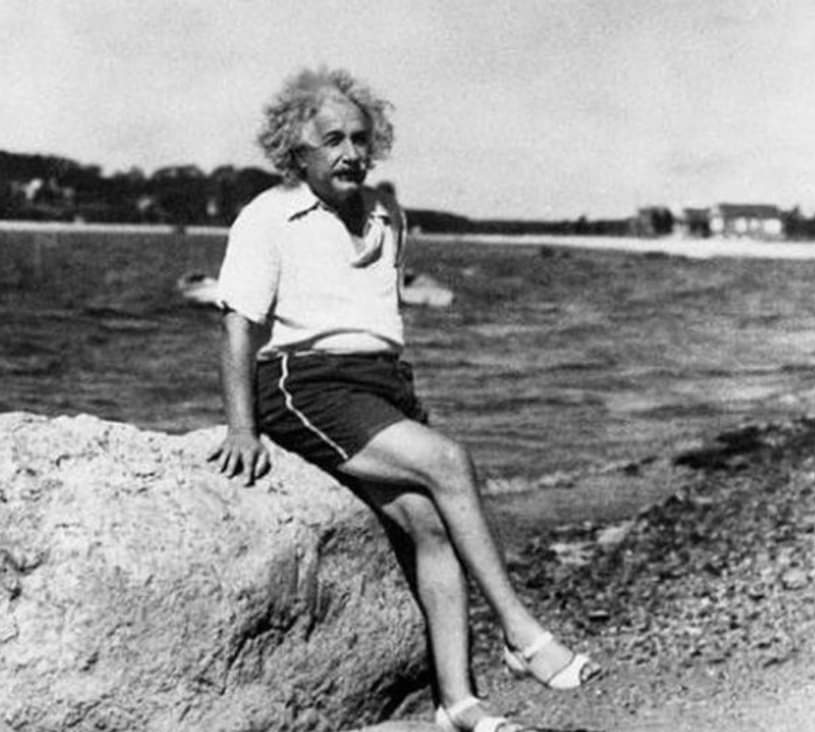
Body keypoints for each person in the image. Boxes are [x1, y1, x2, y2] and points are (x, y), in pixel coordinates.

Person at [209, 67, 600, 732]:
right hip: (305, 385)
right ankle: (520, 633)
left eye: (361, 139)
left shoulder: (390, 215)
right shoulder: (267, 216)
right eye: (331, 139)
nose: (350, 153)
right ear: (294, 150)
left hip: (383, 383)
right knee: (448, 462)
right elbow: (239, 326)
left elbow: (379, 314)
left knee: (429, 522)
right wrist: (242, 428)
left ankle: (458, 704)